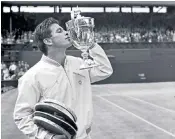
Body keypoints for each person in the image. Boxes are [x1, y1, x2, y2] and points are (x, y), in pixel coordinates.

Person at [13, 17, 113, 139]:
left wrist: (90, 44)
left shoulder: (79, 63)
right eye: (60, 31)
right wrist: (47, 136)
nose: (67, 32)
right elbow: (21, 116)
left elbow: (105, 70)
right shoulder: (32, 77)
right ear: (48, 41)